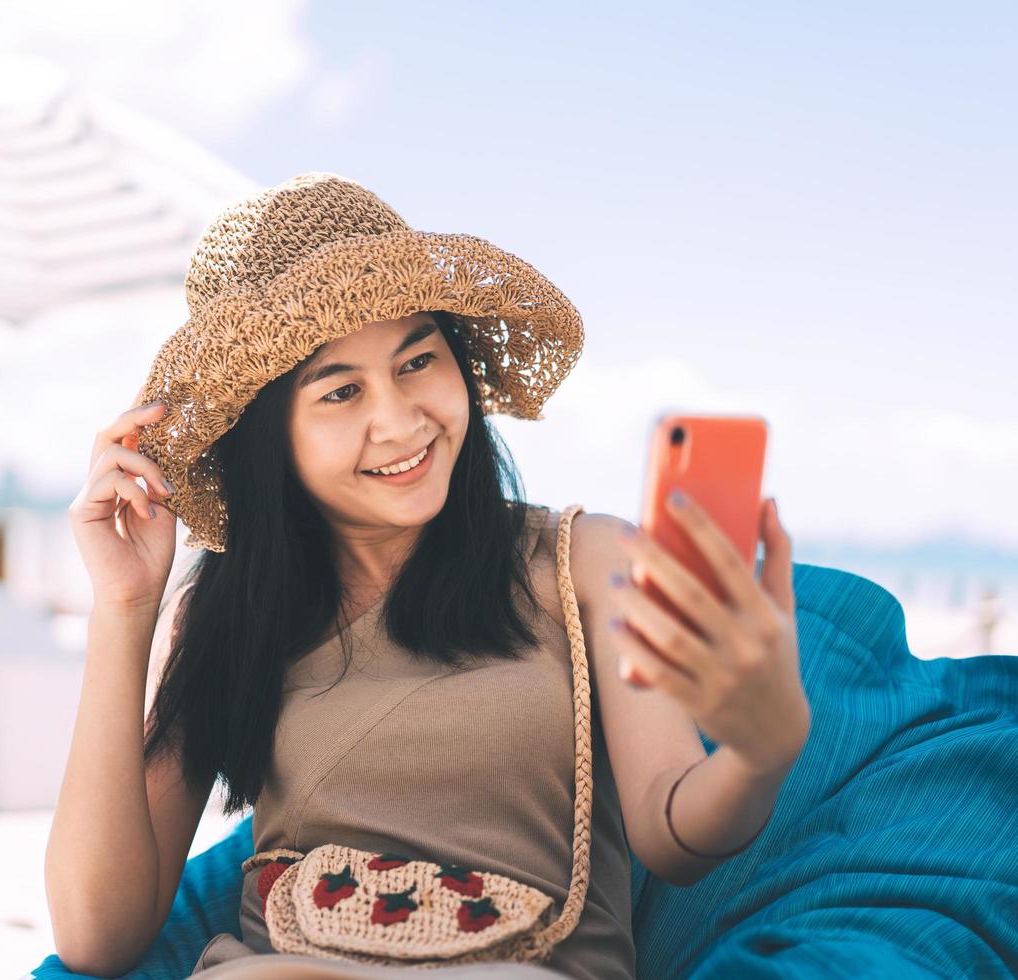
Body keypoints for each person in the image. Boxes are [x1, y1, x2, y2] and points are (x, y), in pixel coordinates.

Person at [46, 173, 809, 979]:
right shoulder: (228, 617)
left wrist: (760, 754)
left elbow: (671, 832)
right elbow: (97, 937)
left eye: (418, 360)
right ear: (272, 442)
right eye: (341, 391)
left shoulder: (584, 561)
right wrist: (123, 609)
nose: (401, 419)